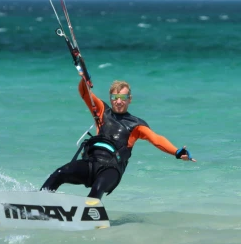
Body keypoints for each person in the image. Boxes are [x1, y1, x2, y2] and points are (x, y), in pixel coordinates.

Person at [40, 78, 195, 199]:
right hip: (91, 163)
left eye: (123, 97)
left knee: (98, 188)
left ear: (129, 99)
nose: (119, 101)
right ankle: (39, 203)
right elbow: (84, 93)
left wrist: (177, 151)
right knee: (60, 172)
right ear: (111, 98)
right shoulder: (102, 111)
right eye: (115, 97)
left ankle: (88, 215)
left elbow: (156, 139)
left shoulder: (136, 124)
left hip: (111, 170)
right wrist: (84, 80)